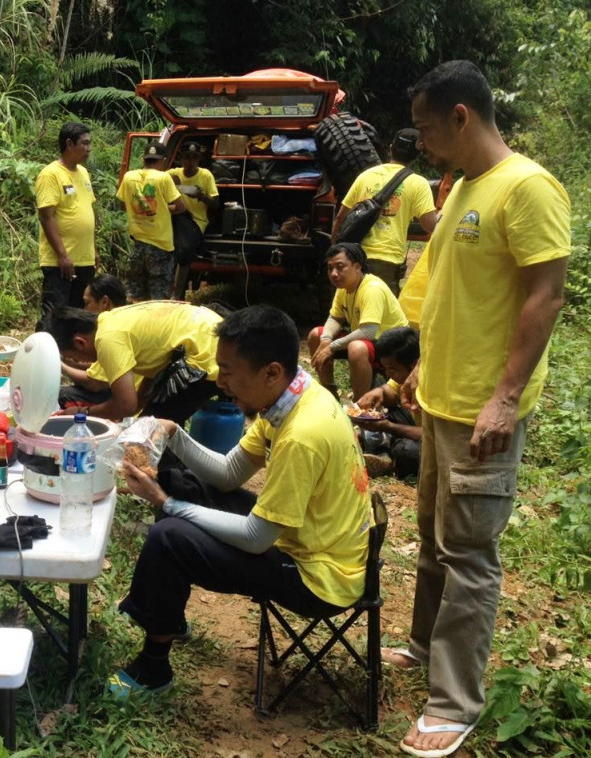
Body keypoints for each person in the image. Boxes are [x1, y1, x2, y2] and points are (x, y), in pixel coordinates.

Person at [391, 60, 570, 758]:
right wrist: (423, 372)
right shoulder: (465, 185)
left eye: (430, 128)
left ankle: (454, 701)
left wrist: (505, 397)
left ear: (462, 117)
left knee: (468, 554)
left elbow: (544, 296)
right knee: (437, 540)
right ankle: (421, 647)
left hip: (481, 412)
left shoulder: (526, 188)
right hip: (442, 397)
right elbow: (455, 295)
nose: (425, 142)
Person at [107, 305, 370, 698]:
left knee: (169, 537)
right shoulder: (292, 396)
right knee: (195, 487)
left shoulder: (302, 434)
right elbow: (229, 473)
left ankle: (153, 670)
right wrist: (174, 432)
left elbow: (255, 537)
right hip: (312, 539)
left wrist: (165, 502)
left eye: (228, 372)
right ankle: (166, 615)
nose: (220, 381)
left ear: (271, 372)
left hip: (318, 577)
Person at [48, 301, 220, 426]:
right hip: (209, 332)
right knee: (150, 424)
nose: (79, 362)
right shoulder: (110, 320)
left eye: (73, 357)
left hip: (204, 353)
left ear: (80, 342)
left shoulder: (108, 339)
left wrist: (82, 413)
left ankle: (166, 474)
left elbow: (126, 405)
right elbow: (153, 367)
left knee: (148, 434)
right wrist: (137, 407)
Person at [333, 129, 439, 295]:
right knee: (381, 317)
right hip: (387, 263)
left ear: (391, 148)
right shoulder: (418, 184)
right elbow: (429, 226)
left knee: (350, 312)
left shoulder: (365, 176)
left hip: (354, 258)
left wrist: (335, 252)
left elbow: (340, 218)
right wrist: (442, 215)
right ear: (417, 156)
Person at [307, 242, 409, 400]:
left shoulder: (372, 288)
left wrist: (332, 347)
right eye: (330, 268)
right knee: (317, 335)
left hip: (392, 347)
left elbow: (368, 332)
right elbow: (335, 317)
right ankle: (329, 393)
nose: (334, 273)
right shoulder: (344, 287)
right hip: (370, 341)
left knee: (357, 347)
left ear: (357, 266)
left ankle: (361, 405)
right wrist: (326, 340)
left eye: (340, 267)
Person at [36, 122, 97, 328]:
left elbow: (87, 213)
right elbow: (46, 217)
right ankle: (43, 356)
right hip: (60, 261)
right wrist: (62, 255)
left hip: (84, 259)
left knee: (77, 314)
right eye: (85, 143)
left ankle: (68, 357)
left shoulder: (84, 173)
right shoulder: (50, 174)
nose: (89, 148)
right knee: (55, 313)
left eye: (90, 143)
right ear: (69, 144)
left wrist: (93, 250)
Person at [116, 142, 186, 301]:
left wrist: (140, 208)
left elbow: (123, 204)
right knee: (159, 295)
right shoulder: (163, 178)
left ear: (144, 159)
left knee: (135, 293)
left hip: (138, 244)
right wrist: (165, 207)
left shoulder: (129, 177)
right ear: (164, 160)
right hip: (160, 246)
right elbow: (181, 207)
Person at [352, 326, 422, 479]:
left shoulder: (433, 387)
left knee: (407, 451)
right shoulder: (405, 378)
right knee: (378, 409)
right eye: (385, 368)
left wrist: (389, 427)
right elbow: (389, 391)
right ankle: (381, 454)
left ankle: (388, 455)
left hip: (431, 438)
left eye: (392, 369)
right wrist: (377, 393)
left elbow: (431, 435)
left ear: (414, 365)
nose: (388, 374)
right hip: (412, 423)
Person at [59, 274, 130, 410]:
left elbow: (94, 383)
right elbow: (94, 368)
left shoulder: (110, 334)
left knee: (64, 394)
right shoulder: (125, 316)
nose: (84, 310)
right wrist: (67, 361)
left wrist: (59, 366)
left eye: (87, 303)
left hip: (130, 398)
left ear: (104, 302)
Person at [168, 142, 220, 298]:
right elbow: (154, 177)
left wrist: (201, 196)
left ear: (199, 160)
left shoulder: (205, 175)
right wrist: (168, 180)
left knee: (184, 249)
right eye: (186, 157)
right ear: (180, 159)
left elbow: (216, 204)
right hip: (176, 219)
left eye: (194, 158)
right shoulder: (174, 173)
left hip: (196, 221)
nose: (190, 162)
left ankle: (179, 291)